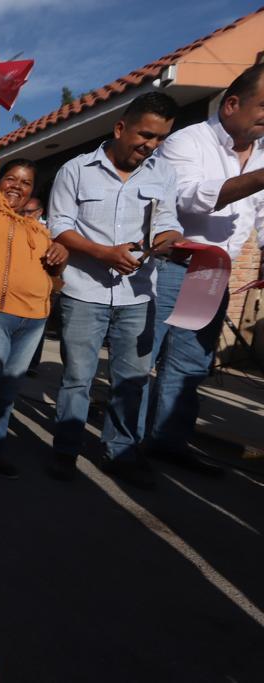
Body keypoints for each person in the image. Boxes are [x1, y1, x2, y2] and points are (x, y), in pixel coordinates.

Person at [47, 92, 183, 488]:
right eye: (145, 135)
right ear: (120, 127)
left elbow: (167, 223)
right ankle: (65, 451)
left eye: (160, 138)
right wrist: (103, 253)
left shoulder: (162, 174)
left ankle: (119, 452)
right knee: (77, 377)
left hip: (139, 296)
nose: (151, 145)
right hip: (84, 291)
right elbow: (60, 226)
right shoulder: (76, 170)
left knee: (132, 379)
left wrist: (174, 242)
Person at [144, 63, 264, 474]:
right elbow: (191, 200)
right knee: (145, 357)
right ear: (232, 104)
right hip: (173, 266)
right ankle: (127, 445)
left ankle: (169, 442)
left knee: (190, 363)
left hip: (214, 275)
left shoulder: (263, 153)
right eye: (263, 106)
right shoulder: (187, 142)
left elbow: (262, 215)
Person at [0, 66, 68, 486]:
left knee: (6, 393)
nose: (16, 186)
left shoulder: (40, 231)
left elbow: (55, 283)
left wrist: (60, 259)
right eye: (11, 179)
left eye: (25, 182)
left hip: (31, 321)